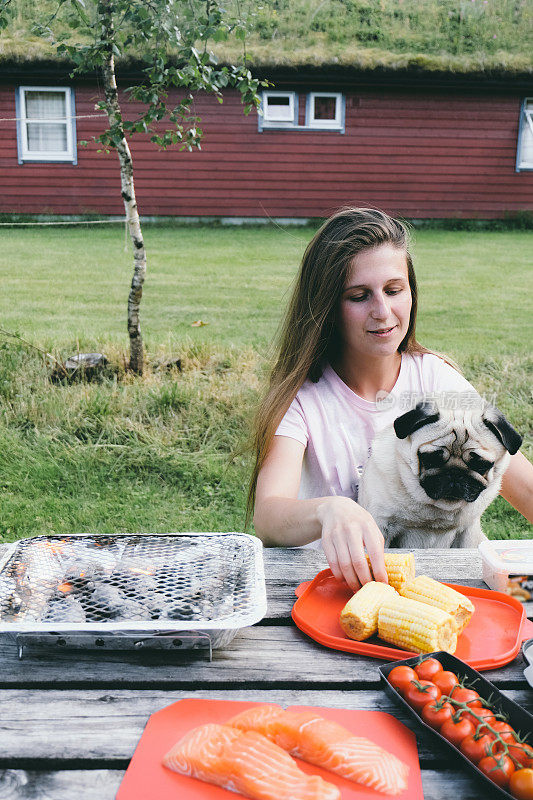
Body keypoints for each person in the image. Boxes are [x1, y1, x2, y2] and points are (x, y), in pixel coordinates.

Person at [248, 207, 533, 592]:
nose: (382, 312)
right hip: (325, 593)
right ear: (327, 307)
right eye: (359, 296)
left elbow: (527, 489)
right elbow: (268, 515)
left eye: (394, 290)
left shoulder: (438, 380)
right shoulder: (303, 399)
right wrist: (330, 509)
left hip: (432, 592)